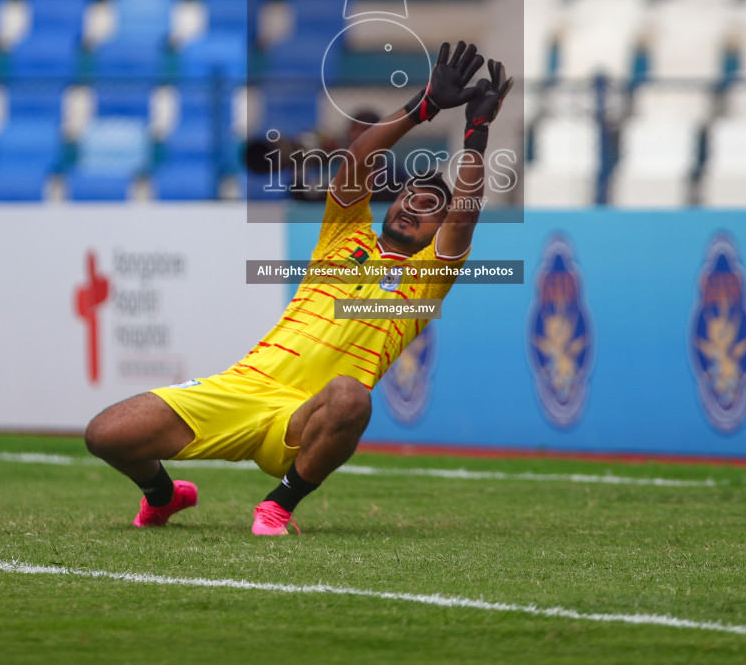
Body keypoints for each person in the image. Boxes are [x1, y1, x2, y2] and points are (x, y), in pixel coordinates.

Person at [84, 43, 514, 535]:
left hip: (306, 416)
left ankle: (277, 506)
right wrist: (425, 106)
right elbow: (358, 158)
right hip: (242, 388)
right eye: (407, 197)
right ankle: (164, 496)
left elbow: (465, 216)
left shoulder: (427, 277)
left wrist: (476, 135)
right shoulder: (345, 236)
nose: (412, 207)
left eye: (429, 207)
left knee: (352, 398)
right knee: (106, 434)